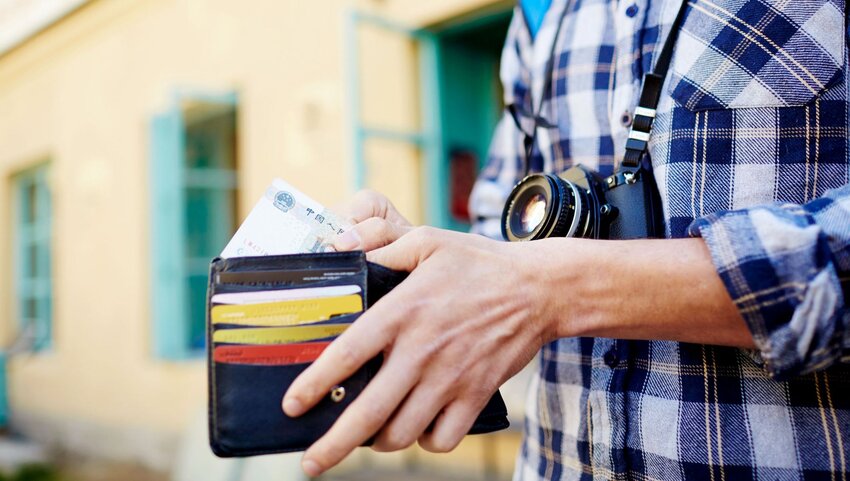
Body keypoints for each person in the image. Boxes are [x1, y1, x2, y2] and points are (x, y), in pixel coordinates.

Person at [283, 0, 850, 479]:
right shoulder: (538, 14)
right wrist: (419, 265)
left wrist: (556, 289)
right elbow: (502, 230)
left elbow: (528, 279)